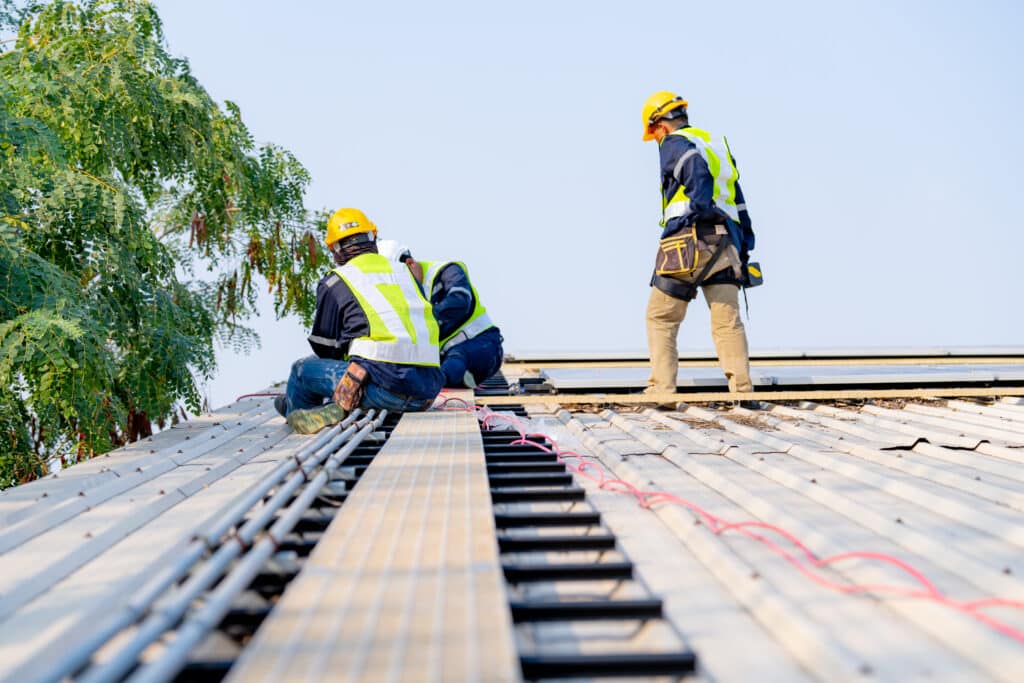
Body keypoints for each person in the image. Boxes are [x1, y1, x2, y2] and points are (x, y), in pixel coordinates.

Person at [278, 208, 444, 434]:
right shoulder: (406, 274)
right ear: (373, 239)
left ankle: (303, 414)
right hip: (427, 392)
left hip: (385, 391)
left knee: (300, 370)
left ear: (335, 251)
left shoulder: (337, 281)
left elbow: (325, 348)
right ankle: (332, 409)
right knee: (370, 368)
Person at [641, 90, 756, 401]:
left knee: (661, 317)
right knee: (727, 320)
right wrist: (743, 250)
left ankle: (662, 393)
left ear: (660, 126)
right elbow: (739, 203)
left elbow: (697, 176)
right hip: (727, 245)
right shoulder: (716, 145)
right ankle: (743, 393)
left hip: (689, 242)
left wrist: (693, 214)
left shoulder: (675, 144)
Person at [377, 240, 503, 389]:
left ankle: (442, 380)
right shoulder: (399, 295)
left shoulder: (448, 271)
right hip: (440, 358)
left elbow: (460, 301)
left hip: (483, 345)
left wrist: (423, 320)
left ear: (410, 264)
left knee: (456, 360)